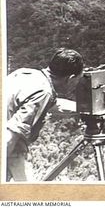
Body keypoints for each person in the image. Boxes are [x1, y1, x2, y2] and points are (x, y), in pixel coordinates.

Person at [6, 48, 84, 181]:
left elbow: (52, 104)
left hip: (11, 145)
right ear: (70, 78)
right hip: (9, 146)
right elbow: (10, 135)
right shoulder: (44, 93)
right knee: (29, 197)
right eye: (77, 80)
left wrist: (87, 107)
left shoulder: (27, 74)